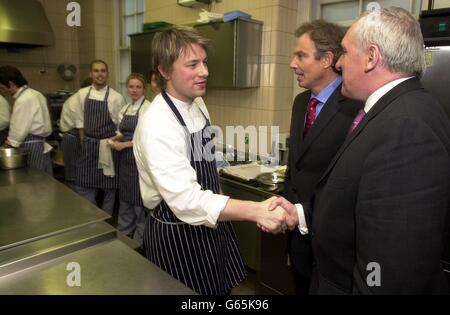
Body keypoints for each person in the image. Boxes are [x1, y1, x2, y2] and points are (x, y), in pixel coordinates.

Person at [270, 7, 450, 294]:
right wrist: (302, 215)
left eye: (344, 52)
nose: (339, 64)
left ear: (371, 58)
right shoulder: (390, 112)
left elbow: (389, 269)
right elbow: (355, 202)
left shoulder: (406, 126)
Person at [133, 26, 288, 295]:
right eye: (192, 64)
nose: (204, 71)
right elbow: (187, 201)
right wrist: (256, 210)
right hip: (177, 235)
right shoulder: (158, 123)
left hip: (209, 227)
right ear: (165, 70)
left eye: (204, 62)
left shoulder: (198, 104)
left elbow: (204, 161)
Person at [283, 20, 363, 295]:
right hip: (298, 238)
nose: (293, 64)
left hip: (333, 245)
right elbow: (295, 164)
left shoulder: (356, 108)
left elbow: (350, 184)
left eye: (301, 56)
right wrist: (286, 207)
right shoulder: (300, 103)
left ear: (327, 59)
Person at [72, 60, 126, 215]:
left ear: (107, 74)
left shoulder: (116, 97)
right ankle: (93, 215)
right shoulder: (82, 94)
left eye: (103, 71)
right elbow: (79, 119)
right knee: (84, 183)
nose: (99, 74)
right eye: (96, 71)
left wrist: (113, 143)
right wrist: (83, 139)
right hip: (89, 145)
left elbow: (120, 126)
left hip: (108, 147)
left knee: (109, 187)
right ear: (91, 74)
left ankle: (107, 218)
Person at [110, 73, 151, 247]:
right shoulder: (126, 108)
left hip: (139, 162)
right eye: (131, 86)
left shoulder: (147, 109)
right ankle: (123, 239)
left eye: (138, 87)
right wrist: (116, 138)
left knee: (138, 205)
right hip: (124, 162)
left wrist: (124, 145)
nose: (134, 90)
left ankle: (139, 244)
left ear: (144, 89)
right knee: (125, 201)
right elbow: (122, 130)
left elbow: (145, 139)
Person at [0, 66, 53, 175]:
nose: (2, 91)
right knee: (44, 181)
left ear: (10, 84)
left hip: (31, 148)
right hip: (39, 144)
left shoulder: (23, 100)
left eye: (2, 87)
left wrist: (5, 147)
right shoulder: (35, 93)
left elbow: (17, 133)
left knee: (34, 182)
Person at [59, 77, 92, 189]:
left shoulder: (83, 99)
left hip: (79, 136)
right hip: (73, 137)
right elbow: (81, 126)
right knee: (74, 174)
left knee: (83, 173)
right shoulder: (76, 100)